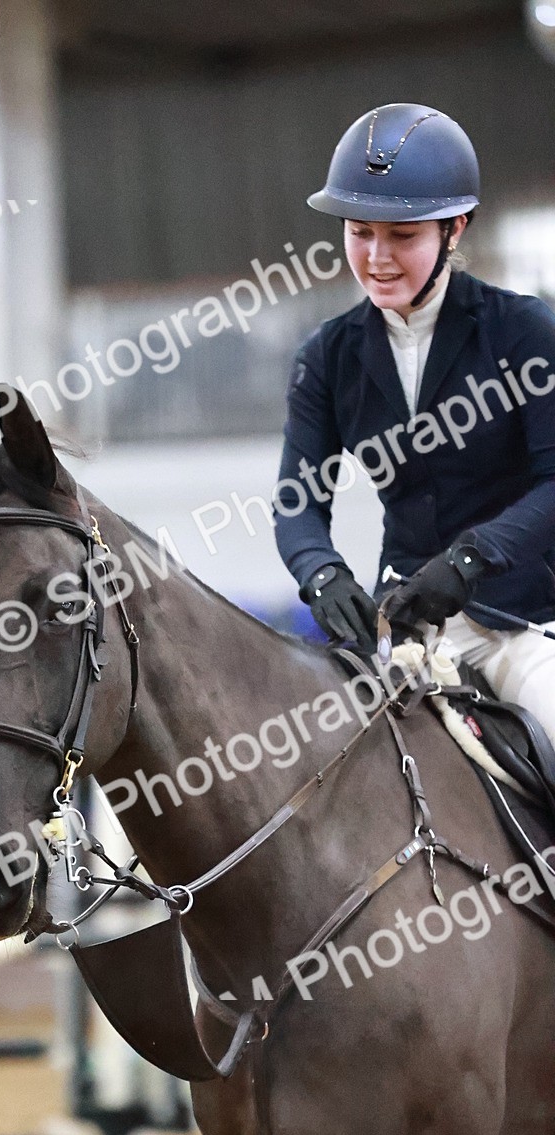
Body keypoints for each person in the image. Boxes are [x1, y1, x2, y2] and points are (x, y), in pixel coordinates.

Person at [273, 102, 555, 740]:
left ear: (455, 230)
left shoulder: (523, 331)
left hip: (521, 626)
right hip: (400, 626)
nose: (377, 258)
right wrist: (322, 574)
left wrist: (471, 559)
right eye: (360, 233)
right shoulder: (327, 357)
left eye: (402, 237)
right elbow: (297, 504)